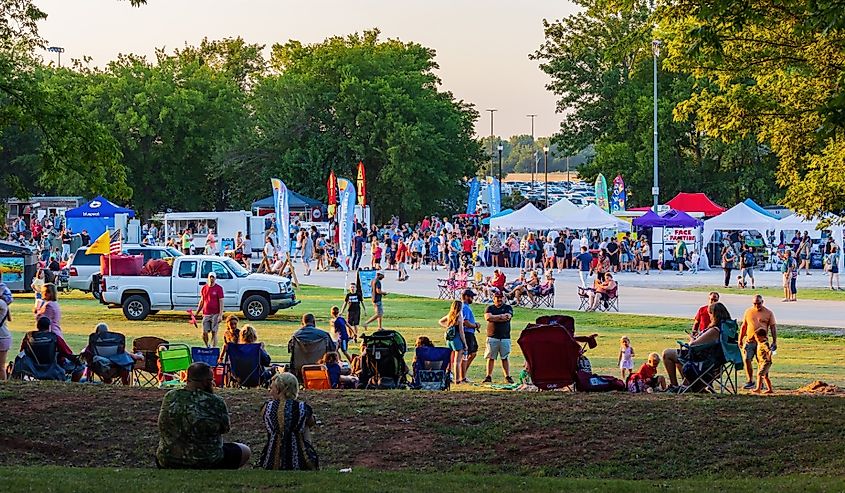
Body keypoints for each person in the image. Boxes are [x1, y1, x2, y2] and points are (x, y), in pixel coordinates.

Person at [156, 362, 251, 469]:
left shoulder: (170, 396)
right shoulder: (215, 401)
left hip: (168, 459)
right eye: (212, 380)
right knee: (245, 450)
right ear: (206, 382)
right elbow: (225, 428)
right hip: (206, 459)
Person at [662, 302, 731, 391]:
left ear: (714, 315)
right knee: (678, 357)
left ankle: (674, 385)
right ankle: (688, 385)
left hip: (702, 360)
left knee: (667, 354)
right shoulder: (726, 328)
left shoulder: (715, 330)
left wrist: (692, 338)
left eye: (709, 314)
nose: (709, 317)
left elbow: (693, 345)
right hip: (716, 360)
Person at [257, 372, 318, 470]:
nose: (270, 391)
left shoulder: (267, 408)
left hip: (271, 459)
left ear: (279, 390)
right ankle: (309, 459)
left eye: (272, 388)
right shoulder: (302, 407)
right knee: (304, 425)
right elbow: (311, 422)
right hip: (299, 459)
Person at [16, 316, 85, 382]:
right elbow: (68, 353)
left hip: (32, 368)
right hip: (54, 369)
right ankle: (73, 384)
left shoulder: (29, 337)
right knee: (80, 367)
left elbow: (22, 351)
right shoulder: (55, 338)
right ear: (49, 327)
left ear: (37, 326)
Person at [739, 295, 778, 390]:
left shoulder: (768, 313)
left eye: (759, 303)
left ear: (762, 302)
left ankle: (762, 382)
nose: (757, 305)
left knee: (762, 361)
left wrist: (774, 341)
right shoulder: (748, 311)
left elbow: (773, 327)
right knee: (747, 359)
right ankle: (750, 381)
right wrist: (740, 338)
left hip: (761, 342)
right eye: (755, 303)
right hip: (750, 340)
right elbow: (744, 326)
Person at [483, 289, 513, 384]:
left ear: (504, 298)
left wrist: (494, 318)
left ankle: (507, 376)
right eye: (497, 297)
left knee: (505, 357)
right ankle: (488, 376)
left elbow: (508, 316)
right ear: (494, 298)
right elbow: (488, 317)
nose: (499, 299)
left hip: (505, 337)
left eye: (501, 297)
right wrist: (501, 317)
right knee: (490, 357)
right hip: (492, 336)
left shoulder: (508, 307)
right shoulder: (489, 308)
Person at [439, 300, 467, 384]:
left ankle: (449, 376)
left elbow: (440, 321)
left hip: (449, 340)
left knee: (450, 360)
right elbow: (461, 332)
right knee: (457, 361)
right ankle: (457, 379)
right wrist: (465, 344)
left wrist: (448, 326)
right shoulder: (459, 317)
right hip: (457, 339)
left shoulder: (450, 315)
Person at [196, 272, 224, 348]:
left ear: (215, 278)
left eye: (213, 277)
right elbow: (202, 301)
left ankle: (213, 347)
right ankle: (207, 345)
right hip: (206, 313)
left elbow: (221, 301)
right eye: (210, 277)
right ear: (208, 278)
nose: (211, 279)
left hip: (216, 313)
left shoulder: (219, 288)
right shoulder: (204, 288)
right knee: (204, 332)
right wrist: (197, 312)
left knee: (214, 332)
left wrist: (220, 315)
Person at [460, 289, 481, 382]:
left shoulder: (465, 307)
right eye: (471, 297)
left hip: (470, 332)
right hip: (467, 333)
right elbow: (465, 322)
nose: (472, 298)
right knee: (469, 354)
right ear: (466, 297)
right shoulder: (465, 307)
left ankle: (463, 374)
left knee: (472, 353)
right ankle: (462, 375)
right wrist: (475, 325)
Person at [0, 298, 10, 380]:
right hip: (4, 337)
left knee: (1, 367)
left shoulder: (1, 303)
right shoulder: (3, 303)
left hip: (2, 338)